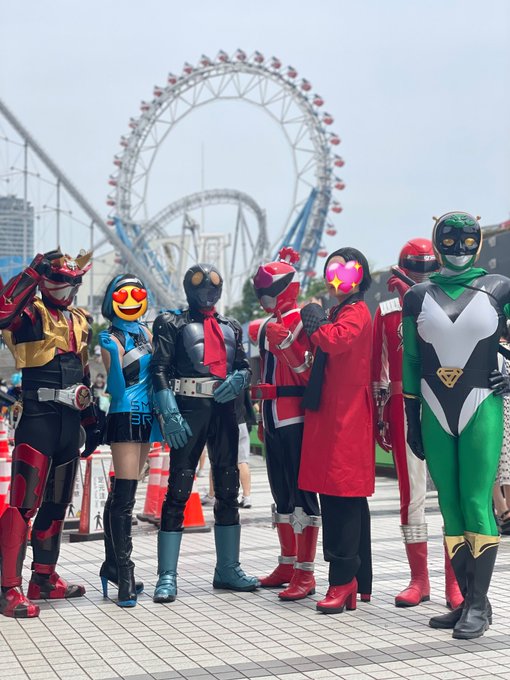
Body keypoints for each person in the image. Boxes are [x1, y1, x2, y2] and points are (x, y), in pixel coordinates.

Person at [403, 211, 510, 639]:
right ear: (437, 242)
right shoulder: (418, 295)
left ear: (478, 242)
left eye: (467, 239)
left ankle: (479, 606)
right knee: (449, 505)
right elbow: (411, 361)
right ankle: (469, 598)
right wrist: (411, 418)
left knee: (475, 501)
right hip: (433, 406)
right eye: (450, 240)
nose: (459, 247)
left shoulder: (499, 287)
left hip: (481, 404)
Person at [0, 249, 101, 618]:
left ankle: (43, 578)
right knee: (23, 505)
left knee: (58, 504)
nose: (67, 288)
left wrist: (91, 419)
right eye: (61, 279)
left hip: (69, 424)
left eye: (74, 282)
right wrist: (32, 271)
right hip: (39, 421)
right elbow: (3, 313)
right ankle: (7, 588)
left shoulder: (80, 319)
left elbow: (82, 371)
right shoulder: (30, 314)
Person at [150, 263, 259, 603]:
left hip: (224, 411)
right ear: (188, 288)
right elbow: (159, 369)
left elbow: (243, 365)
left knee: (228, 487)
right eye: (200, 285)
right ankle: (167, 575)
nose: (208, 291)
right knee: (179, 487)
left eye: (214, 285)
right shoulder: (171, 323)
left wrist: (241, 379)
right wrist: (168, 412)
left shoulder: (231, 326)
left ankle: (228, 567)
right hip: (188, 409)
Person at [372, 238, 462, 610]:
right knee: (412, 496)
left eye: (428, 268)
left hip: (445, 403)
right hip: (401, 406)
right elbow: (379, 370)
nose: (422, 275)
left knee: (451, 494)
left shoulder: (451, 303)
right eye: (415, 269)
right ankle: (418, 579)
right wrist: (380, 417)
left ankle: (455, 583)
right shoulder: (387, 311)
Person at [298, 247, 375, 613]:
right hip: (333, 414)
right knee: (343, 497)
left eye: (343, 272)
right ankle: (355, 580)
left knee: (341, 497)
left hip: (346, 416)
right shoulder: (341, 311)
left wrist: (312, 317)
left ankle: (343, 581)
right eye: (332, 272)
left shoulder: (356, 312)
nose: (336, 280)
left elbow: (334, 340)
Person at [251, 247, 321, 601]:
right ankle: (288, 563)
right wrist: (260, 417)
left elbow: (312, 374)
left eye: (268, 288)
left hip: (296, 415)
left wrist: (289, 348)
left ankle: (305, 572)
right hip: (272, 413)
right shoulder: (267, 325)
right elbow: (263, 370)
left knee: (301, 493)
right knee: (280, 492)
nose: (263, 295)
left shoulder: (305, 319)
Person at [98, 274, 160, 607]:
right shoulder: (110, 337)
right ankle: (125, 573)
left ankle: (112, 566)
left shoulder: (146, 333)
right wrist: (112, 356)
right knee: (124, 496)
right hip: (124, 414)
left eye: (137, 293)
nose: (132, 300)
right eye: (123, 295)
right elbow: (116, 389)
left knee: (125, 493)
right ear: (112, 300)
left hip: (147, 415)